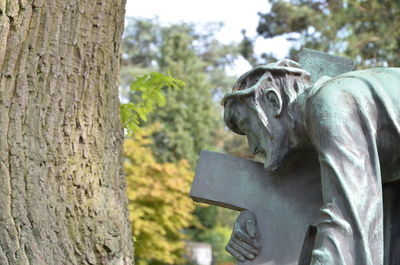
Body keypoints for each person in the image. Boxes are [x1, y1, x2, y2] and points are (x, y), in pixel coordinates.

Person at [222, 59, 400, 265]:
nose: (252, 147)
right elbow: (324, 204)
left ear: (273, 102)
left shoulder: (330, 105)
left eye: (247, 126)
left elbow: (346, 224)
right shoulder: (321, 133)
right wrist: (260, 226)